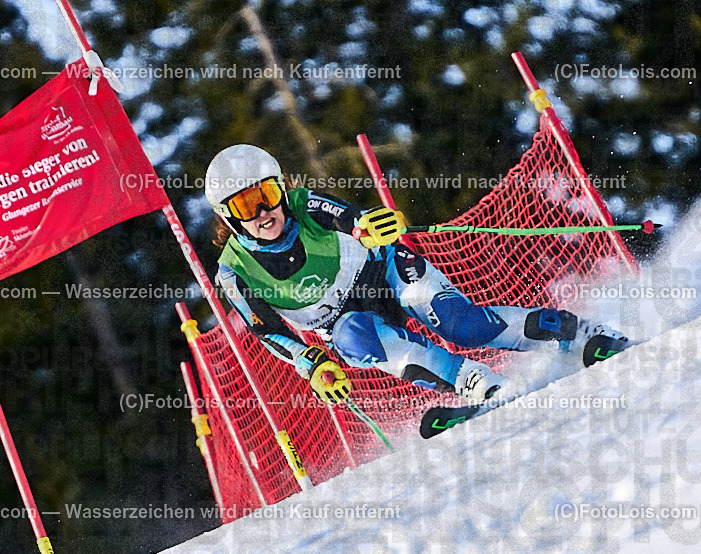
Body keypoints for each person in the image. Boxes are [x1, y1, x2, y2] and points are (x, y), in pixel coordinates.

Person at [205, 144, 626, 406]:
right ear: (229, 216)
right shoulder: (234, 271)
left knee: (463, 324)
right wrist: (309, 363)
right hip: (343, 321)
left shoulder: (302, 204)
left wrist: (373, 224)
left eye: (268, 195)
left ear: (281, 188)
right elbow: (266, 329)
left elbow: (349, 217)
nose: (264, 212)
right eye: (246, 206)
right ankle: (478, 384)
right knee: (355, 336)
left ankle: (581, 333)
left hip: (384, 271)